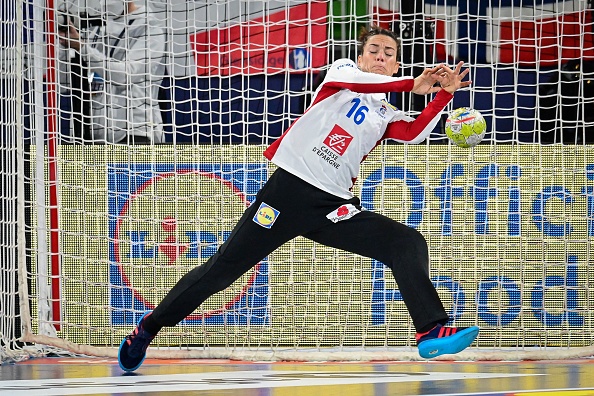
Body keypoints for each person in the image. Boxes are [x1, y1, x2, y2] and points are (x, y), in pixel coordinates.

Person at [117, 25, 480, 372]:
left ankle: (430, 329)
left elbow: (413, 132)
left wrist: (443, 95)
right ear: (361, 55)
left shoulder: (385, 112)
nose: (381, 57)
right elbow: (357, 80)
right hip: (288, 193)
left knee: (406, 242)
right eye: (374, 50)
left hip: (332, 206)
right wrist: (412, 84)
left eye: (389, 54)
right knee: (222, 271)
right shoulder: (343, 73)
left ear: (397, 63)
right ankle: (148, 328)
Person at [58, 0, 166, 144]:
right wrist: (65, 45)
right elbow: (65, 83)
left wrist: (82, 47)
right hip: (92, 134)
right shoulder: (95, 30)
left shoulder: (150, 29)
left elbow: (126, 75)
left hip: (135, 133)